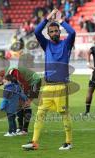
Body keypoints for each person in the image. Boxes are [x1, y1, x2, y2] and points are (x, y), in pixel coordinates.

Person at [21, 8, 76, 150]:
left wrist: (60, 20)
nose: (54, 33)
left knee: (64, 114)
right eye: (51, 32)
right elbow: (37, 32)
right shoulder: (47, 45)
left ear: (59, 31)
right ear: (49, 34)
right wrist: (47, 18)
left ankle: (68, 142)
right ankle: (34, 142)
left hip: (61, 86)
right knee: (40, 114)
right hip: (47, 87)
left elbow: (73, 32)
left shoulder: (66, 43)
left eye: (56, 31)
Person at [0, 66, 41, 135]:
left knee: (26, 105)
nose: (1, 83)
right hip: (27, 84)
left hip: (34, 82)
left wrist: (25, 96)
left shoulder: (12, 72)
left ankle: (24, 130)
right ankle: (20, 128)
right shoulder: (8, 74)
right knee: (19, 105)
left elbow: (23, 82)